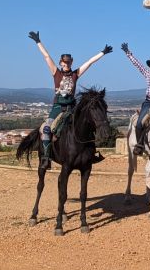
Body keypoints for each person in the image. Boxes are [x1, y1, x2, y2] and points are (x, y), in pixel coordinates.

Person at [28, 30, 112, 170]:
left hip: (72, 108)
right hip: (58, 108)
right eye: (64, 62)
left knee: (87, 126)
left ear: (71, 62)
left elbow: (89, 62)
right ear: (61, 62)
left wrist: (102, 53)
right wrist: (38, 42)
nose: (66, 64)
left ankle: (91, 154)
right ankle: (46, 157)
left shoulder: (75, 74)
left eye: (68, 62)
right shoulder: (56, 73)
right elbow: (46, 56)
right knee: (47, 129)